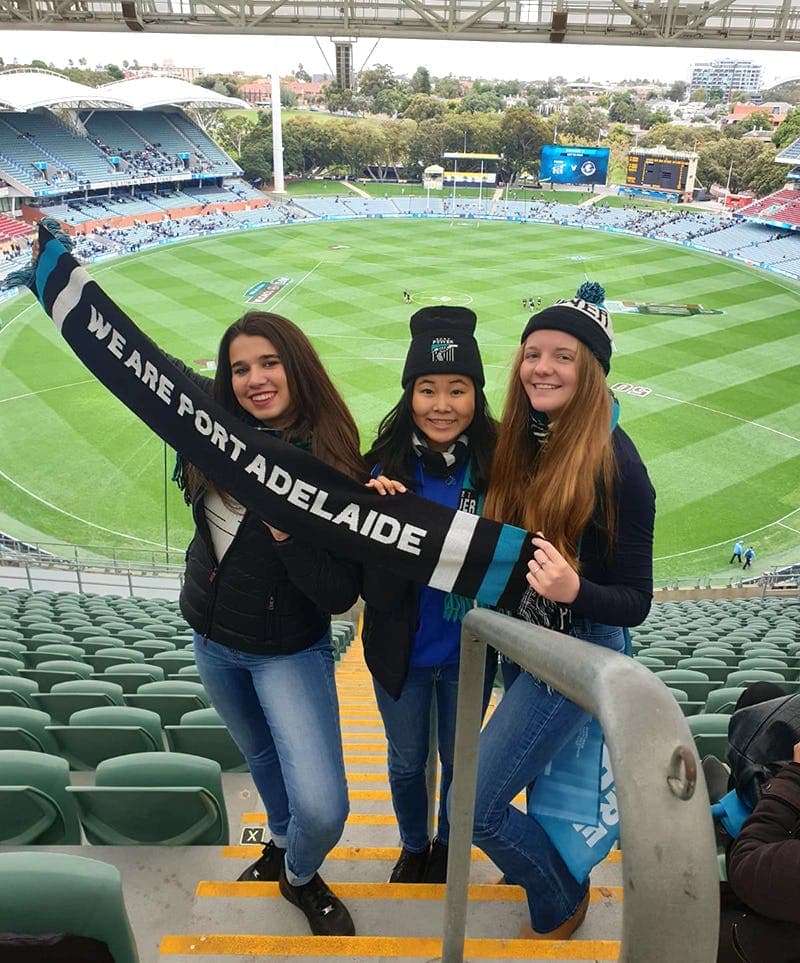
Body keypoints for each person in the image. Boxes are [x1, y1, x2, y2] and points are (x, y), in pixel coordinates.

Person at [169, 312, 365, 937]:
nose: (255, 379)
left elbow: (340, 594)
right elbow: (149, 372)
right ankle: (279, 842)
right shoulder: (212, 429)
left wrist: (288, 533)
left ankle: (300, 874)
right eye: (241, 368)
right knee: (258, 755)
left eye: (269, 363)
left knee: (324, 805)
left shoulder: (332, 461)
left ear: (296, 365)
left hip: (287, 651)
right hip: (211, 636)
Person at [470, 283, 656, 940]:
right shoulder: (525, 438)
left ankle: (556, 892)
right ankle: (537, 857)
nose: (541, 367)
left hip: (577, 647)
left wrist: (575, 589)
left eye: (563, 356)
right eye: (532, 353)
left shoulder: (620, 467)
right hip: (524, 638)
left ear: (593, 370)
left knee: (474, 804)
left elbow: (636, 600)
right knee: (516, 781)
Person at [361, 306, 499, 884]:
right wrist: (367, 510)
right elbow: (355, 572)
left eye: (457, 389)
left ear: (476, 395)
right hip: (403, 657)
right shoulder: (379, 470)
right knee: (405, 762)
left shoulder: (500, 470)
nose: (442, 406)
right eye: (427, 389)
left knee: (460, 763)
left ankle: (446, 843)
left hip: (471, 656)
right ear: (409, 394)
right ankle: (415, 845)